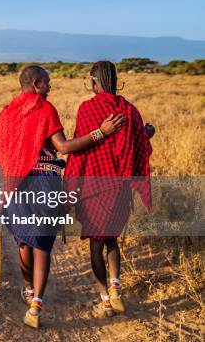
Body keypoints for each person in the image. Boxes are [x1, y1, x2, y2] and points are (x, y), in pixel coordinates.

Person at [0, 65, 125, 329]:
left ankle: (28, 289)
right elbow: (62, 147)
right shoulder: (44, 108)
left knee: (25, 242)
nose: (50, 87)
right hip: (45, 183)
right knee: (43, 244)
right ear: (37, 84)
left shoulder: (7, 113)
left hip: (16, 185)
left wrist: (15, 164)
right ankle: (36, 305)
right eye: (48, 83)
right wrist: (101, 133)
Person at [65, 60, 154, 318]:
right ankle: (116, 289)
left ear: (94, 82)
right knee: (112, 239)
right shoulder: (130, 110)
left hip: (93, 187)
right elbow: (136, 147)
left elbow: (79, 150)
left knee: (95, 244)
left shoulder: (88, 109)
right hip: (120, 189)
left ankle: (104, 300)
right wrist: (147, 132)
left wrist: (72, 186)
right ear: (115, 81)